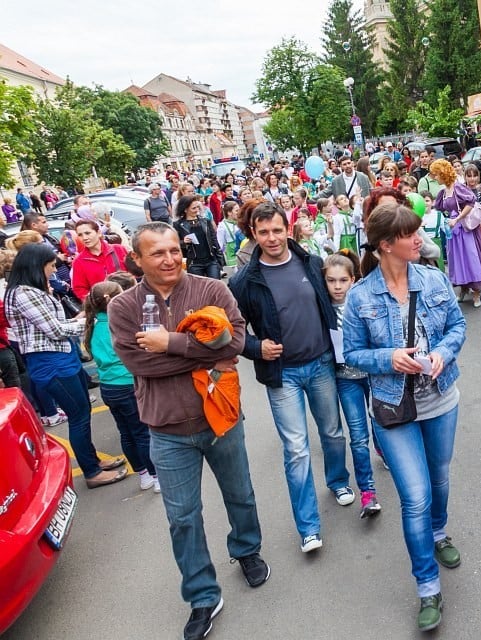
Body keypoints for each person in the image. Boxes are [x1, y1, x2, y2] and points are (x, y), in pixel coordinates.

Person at [110, 222, 268, 640]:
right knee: (182, 517)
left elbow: (234, 343)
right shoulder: (123, 307)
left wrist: (171, 345)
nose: (170, 259)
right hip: (166, 429)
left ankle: (247, 549)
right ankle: (202, 596)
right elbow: (140, 365)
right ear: (138, 259)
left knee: (241, 494)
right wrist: (204, 356)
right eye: (158, 253)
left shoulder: (210, 289)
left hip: (220, 416)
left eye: (175, 250)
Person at [342, 202, 466, 631]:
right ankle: (427, 587)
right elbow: (353, 354)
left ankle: (438, 532)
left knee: (440, 479)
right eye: (411, 234)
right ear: (385, 246)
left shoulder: (433, 278)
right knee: (414, 495)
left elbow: (457, 327)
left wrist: (440, 354)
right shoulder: (360, 296)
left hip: (439, 398)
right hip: (394, 408)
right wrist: (389, 357)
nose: (420, 239)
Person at [228, 202, 354, 552]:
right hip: (282, 375)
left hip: (321, 364)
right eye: (263, 231)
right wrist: (255, 347)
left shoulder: (312, 264)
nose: (271, 238)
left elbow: (340, 304)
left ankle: (339, 480)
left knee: (331, 431)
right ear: (253, 234)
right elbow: (231, 328)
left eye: (277, 230)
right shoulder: (243, 281)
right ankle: (309, 527)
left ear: (288, 229)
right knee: (296, 450)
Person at [5, 243, 127, 488]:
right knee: (79, 416)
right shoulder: (24, 293)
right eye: (50, 266)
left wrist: (78, 320)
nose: (53, 271)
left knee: (81, 412)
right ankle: (91, 471)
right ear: (37, 267)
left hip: (60, 358)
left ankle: (92, 460)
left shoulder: (29, 291)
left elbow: (52, 326)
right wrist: (90, 322)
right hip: (51, 362)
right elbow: (56, 330)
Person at [84, 280, 159, 494]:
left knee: (126, 433)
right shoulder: (115, 324)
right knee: (142, 433)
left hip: (108, 387)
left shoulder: (94, 324)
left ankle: (143, 474)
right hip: (126, 383)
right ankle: (156, 476)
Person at [325, 250, 381, 519]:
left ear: (354, 279)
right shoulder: (321, 308)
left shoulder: (363, 302)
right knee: (358, 437)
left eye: (343, 280)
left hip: (372, 374)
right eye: (331, 280)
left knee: (381, 424)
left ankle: (381, 448)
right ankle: (368, 494)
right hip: (345, 380)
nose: (337, 287)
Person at [432, 159, 481, 307]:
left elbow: (471, 202)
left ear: (443, 174)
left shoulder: (458, 188)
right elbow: (438, 207)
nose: (434, 177)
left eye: (436, 174)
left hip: (465, 229)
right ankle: (463, 288)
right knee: (457, 260)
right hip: (453, 231)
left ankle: (476, 293)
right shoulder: (443, 192)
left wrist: (457, 218)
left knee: (470, 259)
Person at [71, 219, 129, 300]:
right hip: (104, 307)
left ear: (98, 233)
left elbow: (133, 274)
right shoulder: (79, 261)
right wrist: (95, 303)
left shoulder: (118, 249)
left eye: (87, 233)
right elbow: (79, 289)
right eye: (80, 235)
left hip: (129, 299)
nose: (84, 238)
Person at [173, 195, 223, 280]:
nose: (197, 210)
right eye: (193, 208)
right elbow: (173, 244)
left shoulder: (205, 221)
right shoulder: (178, 225)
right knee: (199, 289)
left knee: (215, 285)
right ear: (185, 210)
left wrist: (219, 258)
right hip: (194, 263)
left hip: (211, 260)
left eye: (198, 207)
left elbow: (214, 239)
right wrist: (183, 242)